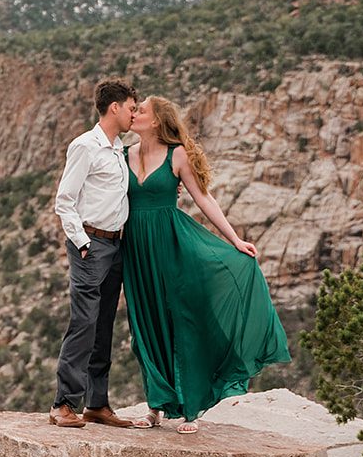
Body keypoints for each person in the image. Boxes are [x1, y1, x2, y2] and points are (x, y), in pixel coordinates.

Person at [122, 95, 290, 433]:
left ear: (156, 121)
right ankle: (155, 407)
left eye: (140, 110)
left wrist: (234, 240)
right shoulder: (125, 153)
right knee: (145, 327)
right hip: (135, 251)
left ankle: (190, 410)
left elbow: (203, 197)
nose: (134, 113)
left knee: (180, 321)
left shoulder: (177, 154)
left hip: (172, 245)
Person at [49, 78, 138, 429]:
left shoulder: (118, 150)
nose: (134, 113)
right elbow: (64, 200)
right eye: (131, 107)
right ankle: (63, 403)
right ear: (114, 107)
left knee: (103, 324)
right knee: (84, 321)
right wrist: (83, 242)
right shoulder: (85, 146)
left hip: (116, 244)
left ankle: (96, 403)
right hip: (91, 245)